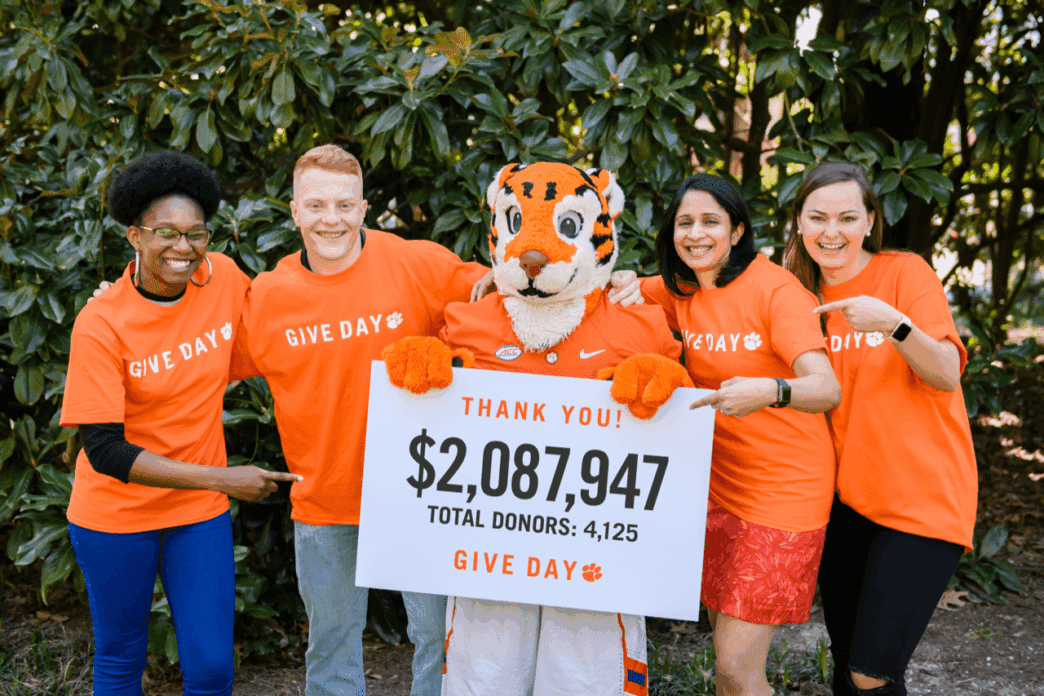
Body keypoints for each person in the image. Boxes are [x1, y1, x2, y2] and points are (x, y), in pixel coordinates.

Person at [61, 150, 301, 696]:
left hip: (196, 512)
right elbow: (105, 451)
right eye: (166, 233)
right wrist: (225, 479)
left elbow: (286, 328)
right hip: (115, 515)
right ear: (134, 237)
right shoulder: (101, 324)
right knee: (121, 660)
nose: (183, 247)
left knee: (212, 667)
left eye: (196, 234)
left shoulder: (222, 278)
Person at [639, 173, 841, 696]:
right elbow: (594, 290)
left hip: (783, 495)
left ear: (737, 231)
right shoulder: (678, 287)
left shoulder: (775, 289)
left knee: (735, 666)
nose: (696, 234)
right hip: (715, 489)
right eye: (685, 222)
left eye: (711, 222)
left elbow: (826, 388)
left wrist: (770, 391)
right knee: (726, 665)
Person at [784, 161, 976, 696]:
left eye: (847, 217)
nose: (831, 231)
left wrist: (895, 324)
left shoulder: (904, 274)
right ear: (799, 223)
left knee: (872, 672)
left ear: (870, 221)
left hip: (920, 500)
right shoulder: (796, 296)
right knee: (850, 669)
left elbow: (945, 372)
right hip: (844, 505)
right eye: (817, 217)